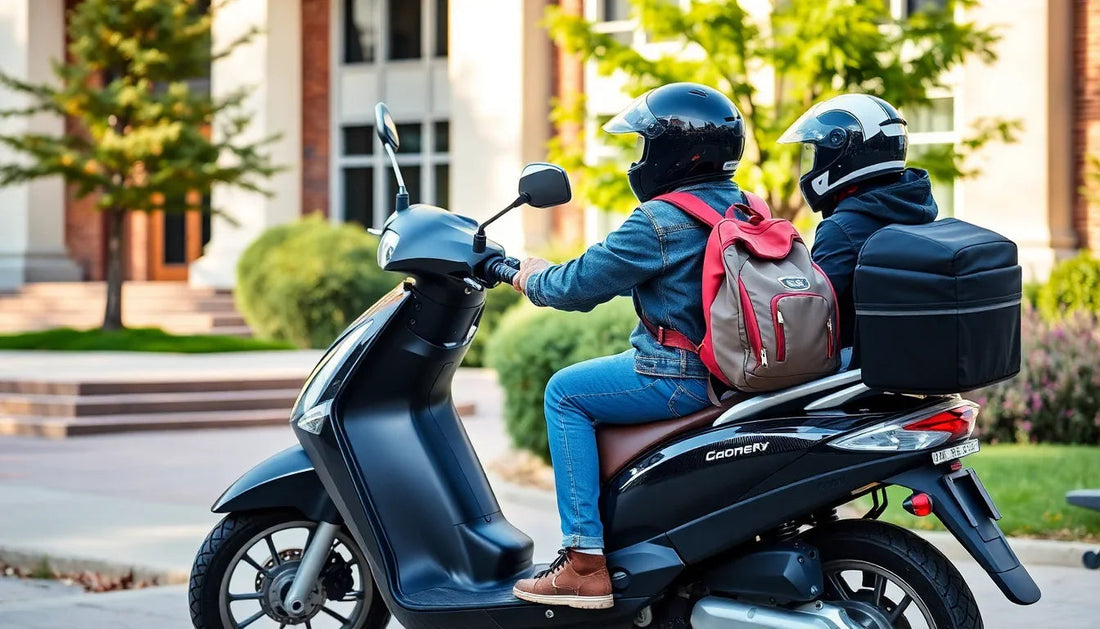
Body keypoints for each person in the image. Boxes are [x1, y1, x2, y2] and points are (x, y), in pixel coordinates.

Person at [509, 82, 749, 610]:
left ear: (670, 153)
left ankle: (584, 563)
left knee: (564, 392)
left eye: (643, 144)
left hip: (678, 375)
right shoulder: (744, 206)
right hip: (738, 371)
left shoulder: (661, 220)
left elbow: (575, 286)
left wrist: (525, 274)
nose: (639, 158)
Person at [777, 94, 939, 359]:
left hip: (854, 372)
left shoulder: (842, 229)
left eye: (817, 152)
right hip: (908, 360)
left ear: (843, 154)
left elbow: (809, 316)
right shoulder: (916, 209)